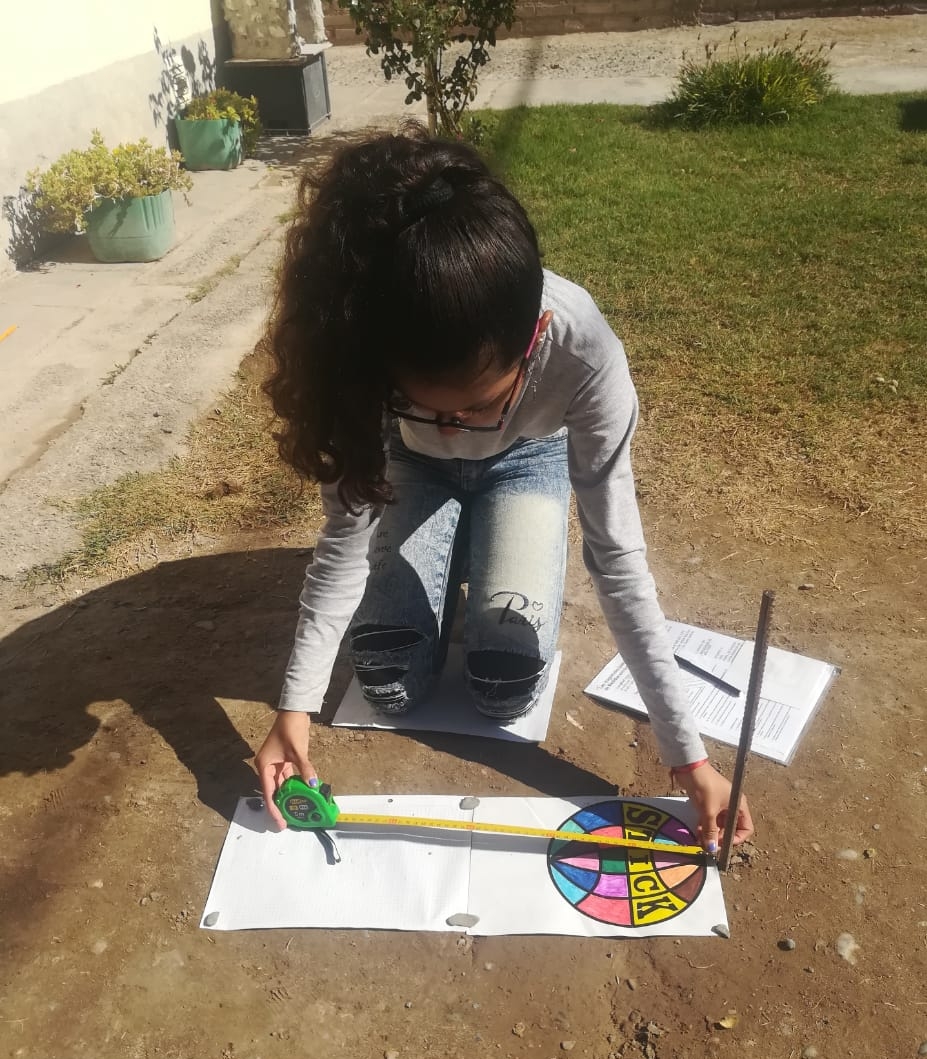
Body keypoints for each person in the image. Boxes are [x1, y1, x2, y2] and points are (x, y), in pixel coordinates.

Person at [254, 124, 753, 852]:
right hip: (412, 469)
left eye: (482, 405)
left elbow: (617, 562)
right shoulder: (362, 350)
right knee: (386, 681)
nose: (454, 428)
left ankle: (482, 531)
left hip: (527, 461)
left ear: (535, 336)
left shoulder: (585, 354)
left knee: (503, 686)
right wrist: (293, 708)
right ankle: (458, 535)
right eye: (424, 406)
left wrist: (690, 758)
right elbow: (343, 541)